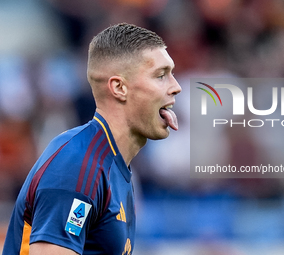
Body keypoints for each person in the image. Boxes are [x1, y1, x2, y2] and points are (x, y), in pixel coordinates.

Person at [2, 23, 182, 255]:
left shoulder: (113, 165)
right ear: (119, 88)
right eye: (160, 75)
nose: (176, 87)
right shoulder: (78, 165)